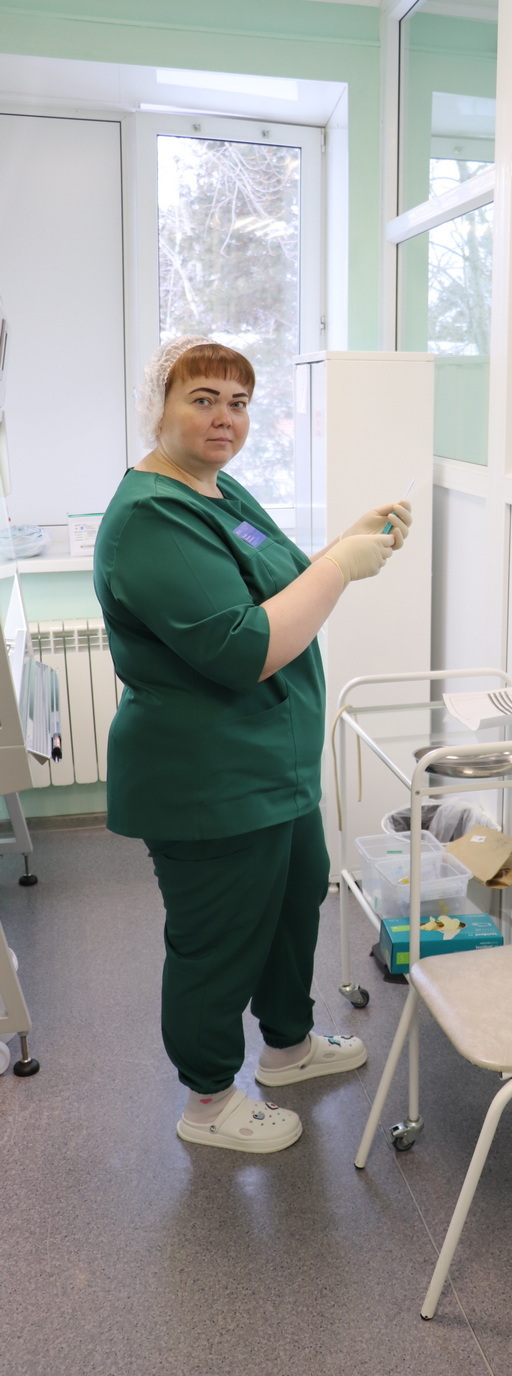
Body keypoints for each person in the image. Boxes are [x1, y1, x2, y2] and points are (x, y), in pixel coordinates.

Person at [94, 336, 412, 1153]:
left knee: (293, 907)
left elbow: (284, 581)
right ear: (157, 406)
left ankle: (288, 1048)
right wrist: (342, 568)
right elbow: (244, 648)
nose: (224, 418)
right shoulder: (151, 517)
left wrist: (342, 544)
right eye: (202, 399)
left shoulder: (217, 488)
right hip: (209, 778)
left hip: (273, 764)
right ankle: (208, 1102)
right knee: (218, 941)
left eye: (238, 403)